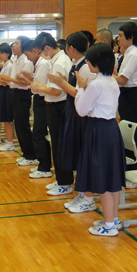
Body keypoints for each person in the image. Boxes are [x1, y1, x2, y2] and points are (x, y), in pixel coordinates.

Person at [73, 43, 125, 236]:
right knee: (112, 179)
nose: (88, 63)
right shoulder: (111, 80)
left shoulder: (96, 84)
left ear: (96, 63)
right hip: (111, 129)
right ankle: (114, 219)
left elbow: (81, 110)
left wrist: (80, 89)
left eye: (89, 61)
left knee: (103, 178)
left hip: (98, 130)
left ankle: (109, 225)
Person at [46, 32, 96, 211]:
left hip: (80, 115)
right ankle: (81, 194)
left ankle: (86, 197)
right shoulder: (77, 64)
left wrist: (61, 83)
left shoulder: (85, 67)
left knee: (81, 155)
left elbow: (80, 93)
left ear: (71, 48)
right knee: (74, 153)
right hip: (72, 111)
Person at [30, 33, 74, 196]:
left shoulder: (59, 63)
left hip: (59, 107)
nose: (41, 55)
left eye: (41, 52)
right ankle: (61, 179)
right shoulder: (57, 60)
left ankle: (65, 183)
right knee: (57, 143)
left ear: (47, 48)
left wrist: (39, 87)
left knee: (59, 145)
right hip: (55, 106)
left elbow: (56, 91)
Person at [0, 36, 36, 164]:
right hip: (15, 93)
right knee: (18, 126)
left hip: (23, 94)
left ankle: (30, 155)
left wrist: (10, 79)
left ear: (23, 46)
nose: (13, 46)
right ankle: (25, 154)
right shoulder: (16, 59)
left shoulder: (26, 61)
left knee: (23, 126)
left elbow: (26, 83)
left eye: (16, 43)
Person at [114, 22, 137, 173]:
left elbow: (122, 80)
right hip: (126, 95)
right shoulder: (128, 52)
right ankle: (130, 167)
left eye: (120, 36)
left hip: (132, 94)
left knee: (133, 133)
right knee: (128, 133)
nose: (118, 39)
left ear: (130, 37)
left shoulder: (133, 54)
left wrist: (108, 74)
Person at [19, 36, 52, 179]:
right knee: (38, 133)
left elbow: (40, 87)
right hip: (40, 100)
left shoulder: (43, 64)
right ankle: (43, 164)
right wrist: (29, 79)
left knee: (38, 133)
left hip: (43, 101)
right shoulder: (39, 63)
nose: (28, 58)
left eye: (27, 55)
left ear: (34, 50)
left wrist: (26, 80)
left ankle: (44, 167)